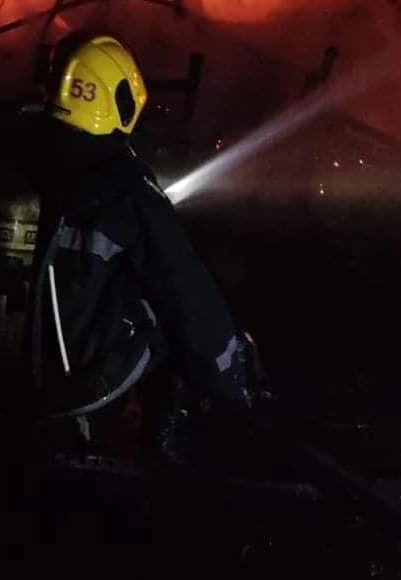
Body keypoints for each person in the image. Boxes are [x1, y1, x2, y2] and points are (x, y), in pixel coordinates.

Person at [25, 32, 260, 461]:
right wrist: (231, 382)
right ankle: (159, 451)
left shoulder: (17, 150)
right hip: (71, 398)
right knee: (168, 317)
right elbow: (189, 295)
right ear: (118, 100)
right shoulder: (126, 190)